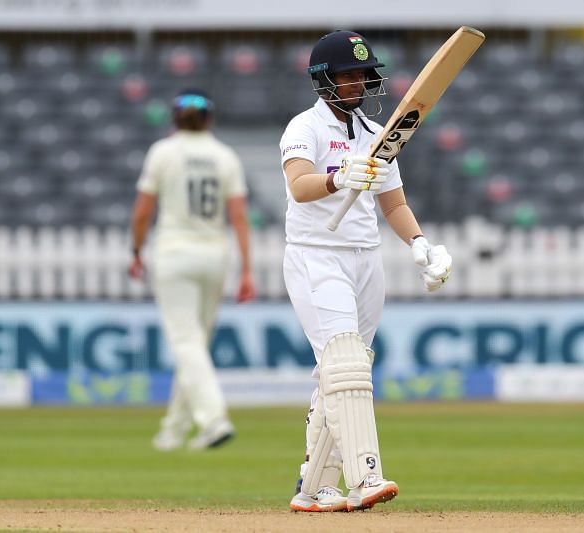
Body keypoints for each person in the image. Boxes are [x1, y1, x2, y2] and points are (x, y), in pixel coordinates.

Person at [280, 31, 452, 512]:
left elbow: (393, 203)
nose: (357, 81)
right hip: (316, 254)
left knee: (337, 375)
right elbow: (298, 186)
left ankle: (314, 488)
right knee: (346, 365)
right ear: (324, 79)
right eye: (347, 74)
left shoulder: (376, 136)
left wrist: (420, 244)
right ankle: (365, 476)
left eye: (362, 74)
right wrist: (338, 177)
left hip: (365, 256)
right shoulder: (303, 128)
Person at [129, 88, 256, 452]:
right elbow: (239, 218)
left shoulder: (163, 152)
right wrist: (246, 269)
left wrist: (136, 250)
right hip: (215, 254)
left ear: (174, 118)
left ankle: (214, 419)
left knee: (186, 342)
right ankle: (173, 430)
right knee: (195, 343)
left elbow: (142, 211)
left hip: (174, 252)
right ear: (210, 119)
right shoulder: (224, 156)